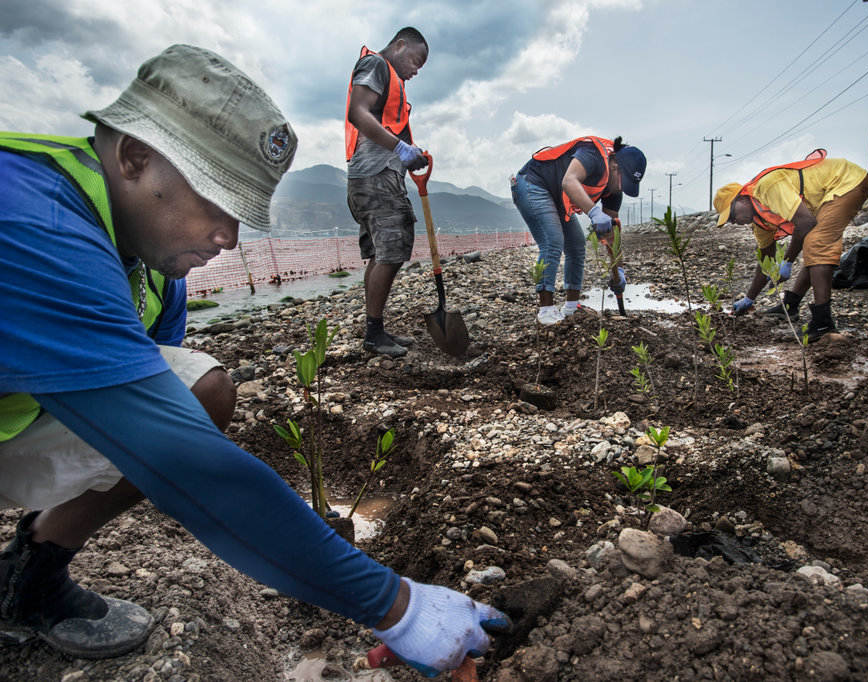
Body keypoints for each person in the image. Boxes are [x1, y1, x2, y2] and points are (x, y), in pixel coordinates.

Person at [0, 44, 508, 673]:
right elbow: (191, 465)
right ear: (135, 157)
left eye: (242, 214)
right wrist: (396, 606)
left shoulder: (154, 268)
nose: (230, 237)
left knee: (199, 391)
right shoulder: (29, 219)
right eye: (217, 201)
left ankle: (29, 574)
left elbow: (167, 432)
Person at [713, 151, 868, 342]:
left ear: (741, 199)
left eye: (731, 216)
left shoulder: (767, 187)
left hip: (846, 181)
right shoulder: (759, 222)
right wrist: (749, 299)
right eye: (729, 221)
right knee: (813, 247)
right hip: (830, 193)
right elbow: (765, 263)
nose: (733, 222)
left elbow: (805, 222)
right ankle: (790, 304)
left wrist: (787, 262)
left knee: (816, 243)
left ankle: (822, 323)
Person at [345, 27, 430, 358]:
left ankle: (375, 331)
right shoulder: (376, 65)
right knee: (392, 252)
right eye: (415, 60)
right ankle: (373, 334)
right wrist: (400, 148)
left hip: (374, 178)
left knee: (381, 254)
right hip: (375, 178)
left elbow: (392, 131)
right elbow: (358, 111)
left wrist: (411, 154)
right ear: (400, 45)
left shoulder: (394, 85)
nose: (415, 70)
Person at [511, 136, 646, 325]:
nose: (621, 190)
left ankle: (572, 307)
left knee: (576, 245)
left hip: (556, 197)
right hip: (533, 183)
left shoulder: (614, 192)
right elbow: (569, 181)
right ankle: (546, 311)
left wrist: (620, 270)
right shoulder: (593, 154)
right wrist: (594, 213)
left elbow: (611, 233)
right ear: (616, 168)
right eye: (624, 184)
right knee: (552, 240)